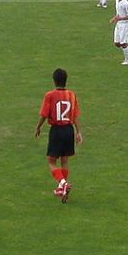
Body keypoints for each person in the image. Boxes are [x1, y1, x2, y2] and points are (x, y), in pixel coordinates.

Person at [34, 68, 82, 201]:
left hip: (57, 130)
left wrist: (38, 127)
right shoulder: (72, 95)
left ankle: (63, 184)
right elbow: (75, 115)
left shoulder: (50, 95)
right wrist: (78, 132)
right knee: (64, 160)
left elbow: (44, 114)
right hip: (69, 130)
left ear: (54, 80)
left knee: (51, 160)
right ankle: (62, 189)